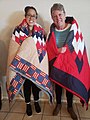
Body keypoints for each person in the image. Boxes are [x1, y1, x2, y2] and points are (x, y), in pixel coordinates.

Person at [7, 6, 53, 117]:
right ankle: (28, 104)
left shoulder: (41, 31)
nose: (31, 18)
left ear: (36, 17)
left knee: (35, 85)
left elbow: (43, 50)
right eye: (29, 15)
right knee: (26, 85)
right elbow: (14, 49)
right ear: (25, 16)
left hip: (36, 65)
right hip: (22, 66)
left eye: (34, 16)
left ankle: (36, 101)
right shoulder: (18, 30)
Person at [46, 3, 90, 120]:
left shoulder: (74, 29)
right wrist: (58, 50)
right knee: (58, 85)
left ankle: (70, 107)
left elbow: (78, 46)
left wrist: (66, 51)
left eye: (60, 14)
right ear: (52, 18)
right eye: (54, 16)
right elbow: (49, 49)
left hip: (70, 63)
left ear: (65, 14)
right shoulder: (52, 32)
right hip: (57, 63)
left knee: (70, 83)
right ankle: (58, 104)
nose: (58, 18)